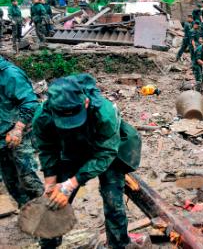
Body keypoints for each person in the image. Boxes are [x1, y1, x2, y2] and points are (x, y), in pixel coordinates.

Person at [33, 74, 142, 249]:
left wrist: (71, 184)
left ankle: (119, 244)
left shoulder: (104, 112)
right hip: (69, 151)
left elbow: (106, 153)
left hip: (104, 150)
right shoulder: (43, 116)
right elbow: (47, 149)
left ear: (85, 103)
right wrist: (50, 182)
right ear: (52, 108)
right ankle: (48, 244)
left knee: (113, 203)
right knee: (52, 204)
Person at [0, 56, 44, 209]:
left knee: (28, 179)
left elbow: (30, 102)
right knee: (10, 181)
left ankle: (48, 218)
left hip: (19, 134)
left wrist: (18, 128)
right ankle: (29, 214)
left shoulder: (10, 75)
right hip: (1, 137)